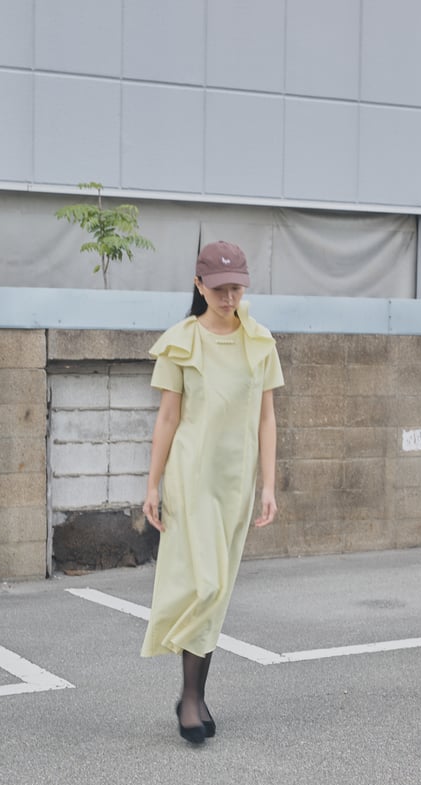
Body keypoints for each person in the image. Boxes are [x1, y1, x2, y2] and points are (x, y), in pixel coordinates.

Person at [141, 240, 284, 744]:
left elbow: (266, 418)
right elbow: (167, 417)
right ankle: (190, 699)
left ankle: (194, 696)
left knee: (218, 589)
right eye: (220, 289)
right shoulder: (182, 341)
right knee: (204, 585)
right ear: (199, 286)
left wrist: (269, 484)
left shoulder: (259, 342)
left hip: (235, 481)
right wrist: (152, 483)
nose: (229, 298)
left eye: (237, 288)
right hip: (191, 477)